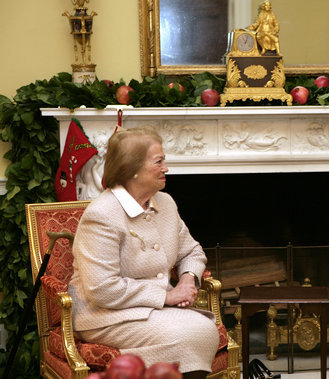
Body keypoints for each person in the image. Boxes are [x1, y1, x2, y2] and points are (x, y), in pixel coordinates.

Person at [68, 126, 219, 379]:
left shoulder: (166, 203)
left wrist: (187, 279)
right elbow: (102, 289)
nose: (166, 168)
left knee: (202, 329)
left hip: (150, 309)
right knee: (192, 334)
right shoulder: (102, 215)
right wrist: (167, 297)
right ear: (132, 169)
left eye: (164, 161)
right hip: (104, 314)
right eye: (158, 162)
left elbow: (192, 251)